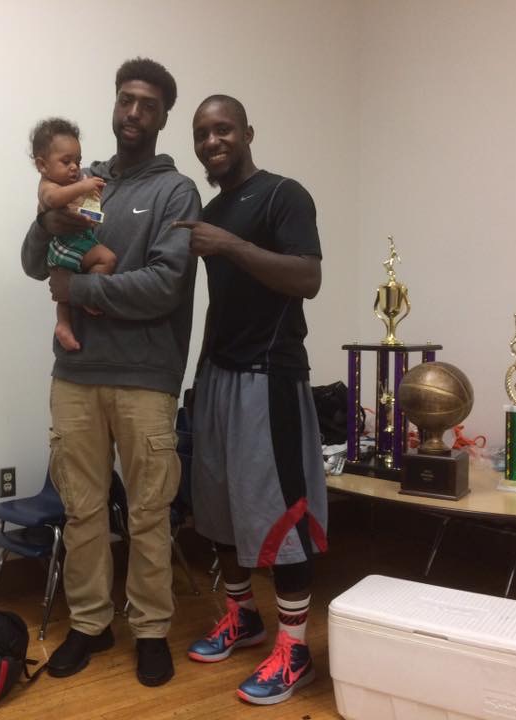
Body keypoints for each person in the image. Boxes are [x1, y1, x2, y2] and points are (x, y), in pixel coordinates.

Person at [20, 57, 200, 687]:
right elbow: (33, 263)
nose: (133, 112)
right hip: (75, 375)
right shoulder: (81, 178)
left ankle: (151, 630)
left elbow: (166, 285)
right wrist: (46, 221)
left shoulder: (176, 192)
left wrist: (83, 290)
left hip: (146, 378)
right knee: (82, 509)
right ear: (114, 104)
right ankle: (91, 625)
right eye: (126, 99)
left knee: (149, 511)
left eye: (148, 104)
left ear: (163, 117)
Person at [172, 95, 328, 706]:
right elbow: (221, 303)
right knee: (215, 507)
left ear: (247, 133)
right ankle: (243, 618)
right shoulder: (211, 211)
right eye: (202, 133)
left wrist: (230, 245)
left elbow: (308, 278)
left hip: (270, 376)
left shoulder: (284, 195)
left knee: (280, 514)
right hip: (217, 377)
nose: (212, 141)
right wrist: (200, 375)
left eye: (223, 130)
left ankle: (295, 649)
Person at [30, 117, 116, 352]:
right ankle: (87, 298)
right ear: (42, 165)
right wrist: (83, 187)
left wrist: (91, 204)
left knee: (65, 291)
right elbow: (52, 199)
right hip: (64, 245)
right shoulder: (48, 185)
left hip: (75, 241)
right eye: (66, 161)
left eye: (78, 161)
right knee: (107, 259)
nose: (75, 167)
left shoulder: (75, 181)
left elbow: (88, 215)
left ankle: (64, 324)